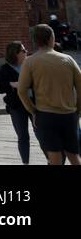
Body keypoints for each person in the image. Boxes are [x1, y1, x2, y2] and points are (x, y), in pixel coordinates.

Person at [16, 23, 81, 166]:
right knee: (73, 156)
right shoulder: (68, 60)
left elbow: (21, 90)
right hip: (69, 115)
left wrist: (33, 111)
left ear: (35, 41)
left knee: (55, 158)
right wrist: (78, 110)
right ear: (52, 38)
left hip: (46, 115)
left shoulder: (30, 62)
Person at [0, 41, 33, 165]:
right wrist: (12, 84)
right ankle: (25, 163)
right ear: (15, 53)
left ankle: (51, 160)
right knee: (23, 136)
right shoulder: (5, 68)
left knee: (42, 134)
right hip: (16, 106)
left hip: (35, 104)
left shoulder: (31, 64)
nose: (26, 52)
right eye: (23, 50)